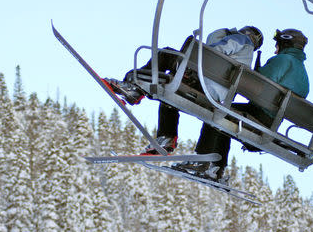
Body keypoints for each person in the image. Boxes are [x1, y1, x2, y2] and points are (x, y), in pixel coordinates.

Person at [106, 26, 264, 159]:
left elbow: (216, 51)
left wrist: (193, 62)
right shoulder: (247, 59)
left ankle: (133, 88)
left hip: (203, 83)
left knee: (167, 54)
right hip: (213, 93)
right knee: (170, 95)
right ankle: (166, 138)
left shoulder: (241, 40)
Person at [174, 28, 310, 181]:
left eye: (277, 44)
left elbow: (257, 84)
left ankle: (202, 160)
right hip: (272, 121)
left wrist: (256, 71)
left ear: (286, 42)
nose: (275, 49)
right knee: (225, 120)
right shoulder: (303, 74)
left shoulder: (283, 60)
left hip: (259, 113)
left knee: (218, 112)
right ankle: (215, 169)